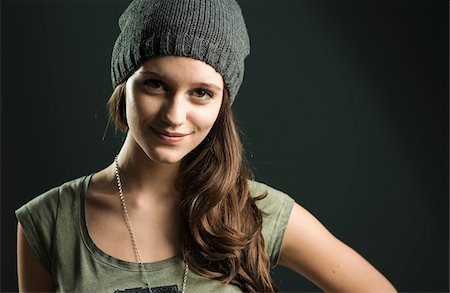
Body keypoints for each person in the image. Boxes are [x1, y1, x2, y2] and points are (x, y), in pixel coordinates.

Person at [16, 0, 397, 292]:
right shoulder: (47, 223)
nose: (174, 115)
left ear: (221, 104)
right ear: (124, 83)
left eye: (201, 93)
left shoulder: (254, 213)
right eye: (155, 84)